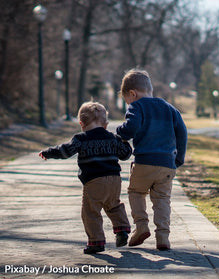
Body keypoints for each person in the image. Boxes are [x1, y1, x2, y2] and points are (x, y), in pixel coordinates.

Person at [39, 102, 132, 254]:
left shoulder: (80, 139)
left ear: (81, 124)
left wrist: (49, 152)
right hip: (115, 180)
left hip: (94, 181)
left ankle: (96, 242)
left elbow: (65, 151)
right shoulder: (112, 138)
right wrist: (124, 142)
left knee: (90, 211)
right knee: (114, 205)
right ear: (106, 124)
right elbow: (125, 154)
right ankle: (122, 230)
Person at [116, 69, 187, 251]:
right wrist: (178, 158)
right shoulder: (170, 108)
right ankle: (163, 237)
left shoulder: (137, 106)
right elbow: (182, 132)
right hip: (167, 164)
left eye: (127, 101)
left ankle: (141, 226)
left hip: (144, 161)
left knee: (136, 192)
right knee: (162, 199)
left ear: (133, 93)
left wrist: (120, 132)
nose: (128, 104)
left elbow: (131, 128)